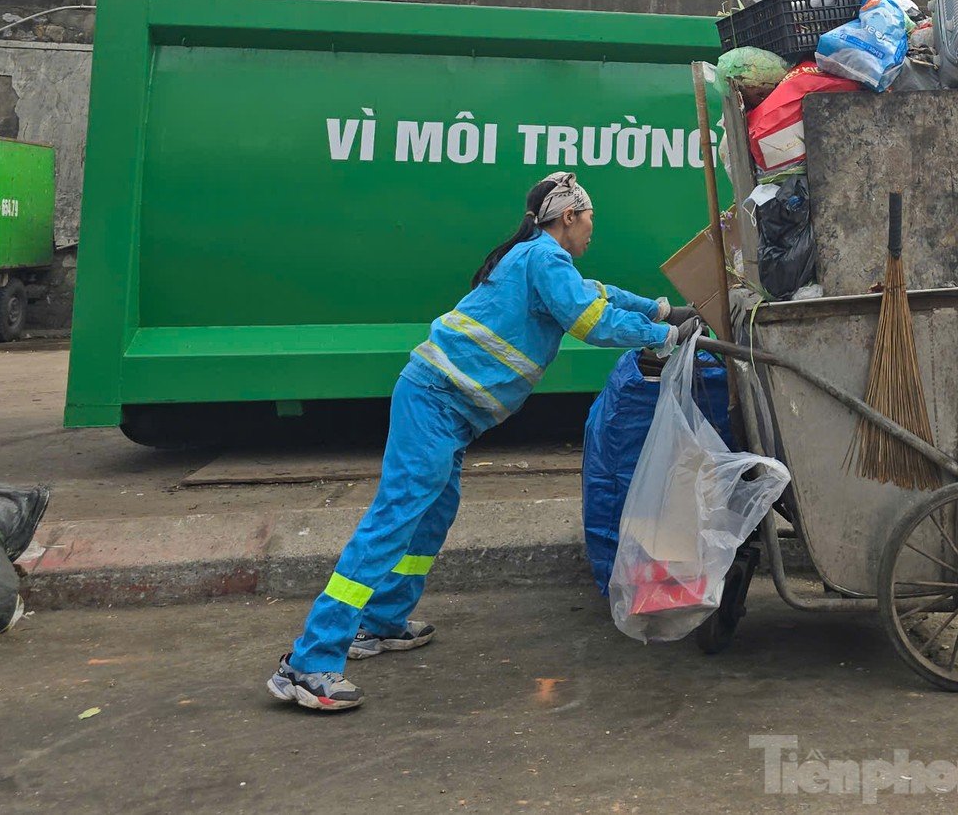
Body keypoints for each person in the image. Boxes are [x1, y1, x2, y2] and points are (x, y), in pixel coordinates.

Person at [267, 172, 700, 713]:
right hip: (434, 401)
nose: (592, 230)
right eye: (589, 219)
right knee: (394, 519)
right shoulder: (543, 258)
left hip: (443, 407)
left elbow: (599, 295)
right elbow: (590, 319)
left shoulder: (541, 261)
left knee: (431, 514)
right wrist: (664, 335)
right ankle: (310, 662)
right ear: (569, 216)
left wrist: (661, 309)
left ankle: (380, 623)